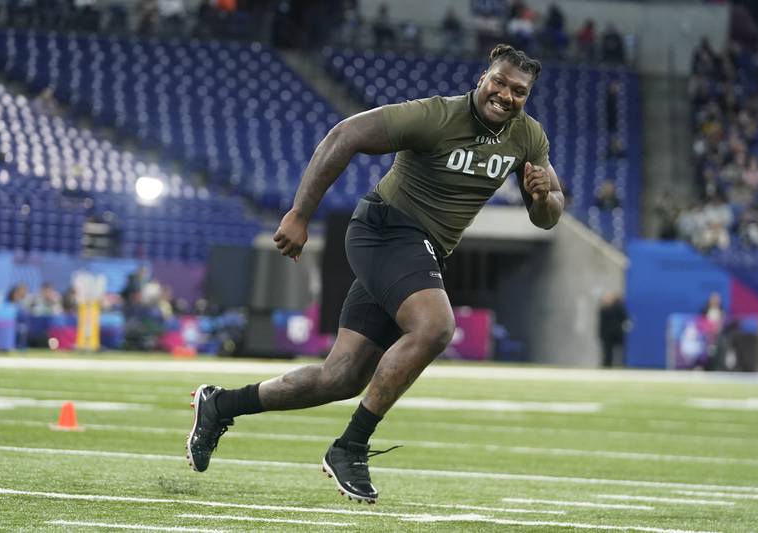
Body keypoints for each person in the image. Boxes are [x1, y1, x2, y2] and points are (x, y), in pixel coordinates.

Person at [186, 44, 564, 504]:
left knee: (341, 377)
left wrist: (544, 195)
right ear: (483, 76)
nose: (506, 95)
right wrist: (300, 215)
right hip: (386, 230)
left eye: (518, 91)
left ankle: (220, 404)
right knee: (436, 326)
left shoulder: (529, 138)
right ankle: (351, 446)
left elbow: (547, 217)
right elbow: (343, 135)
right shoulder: (435, 116)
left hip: (421, 251)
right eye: (499, 82)